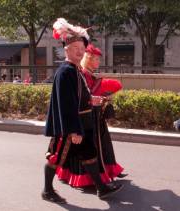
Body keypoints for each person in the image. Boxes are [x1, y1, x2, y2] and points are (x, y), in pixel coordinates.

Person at [43, 18, 123, 204]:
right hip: (70, 127)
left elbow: (79, 96)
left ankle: (101, 188)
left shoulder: (75, 70)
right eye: (75, 48)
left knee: (89, 153)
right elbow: (66, 105)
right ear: (66, 50)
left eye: (82, 48)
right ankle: (47, 190)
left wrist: (91, 100)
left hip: (81, 124)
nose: (80, 51)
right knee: (56, 157)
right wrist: (73, 130)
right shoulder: (65, 72)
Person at [53, 44, 126, 188]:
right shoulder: (78, 72)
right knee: (85, 149)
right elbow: (78, 96)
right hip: (84, 116)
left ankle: (107, 173)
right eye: (96, 59)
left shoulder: (86, 73)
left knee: (100, 145)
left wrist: (100, 97)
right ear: (89, 59)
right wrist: (94, 97)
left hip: (94, 115)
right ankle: (92, 181)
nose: (99, 62)